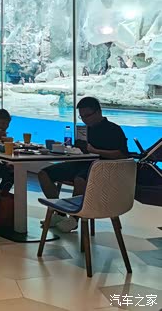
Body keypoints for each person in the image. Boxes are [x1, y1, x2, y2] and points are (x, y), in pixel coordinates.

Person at [38, 97, 128, 233]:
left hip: (102, 167)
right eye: (82, 116)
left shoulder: (113, 130)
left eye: (87, 115)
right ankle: (59, 213)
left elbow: (122, 154)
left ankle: (74, 218)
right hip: (81, 163)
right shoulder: (84, 130)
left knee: (80, 180)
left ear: (98, 112)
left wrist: (96, 151)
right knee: (44, 174)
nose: (85, 119)